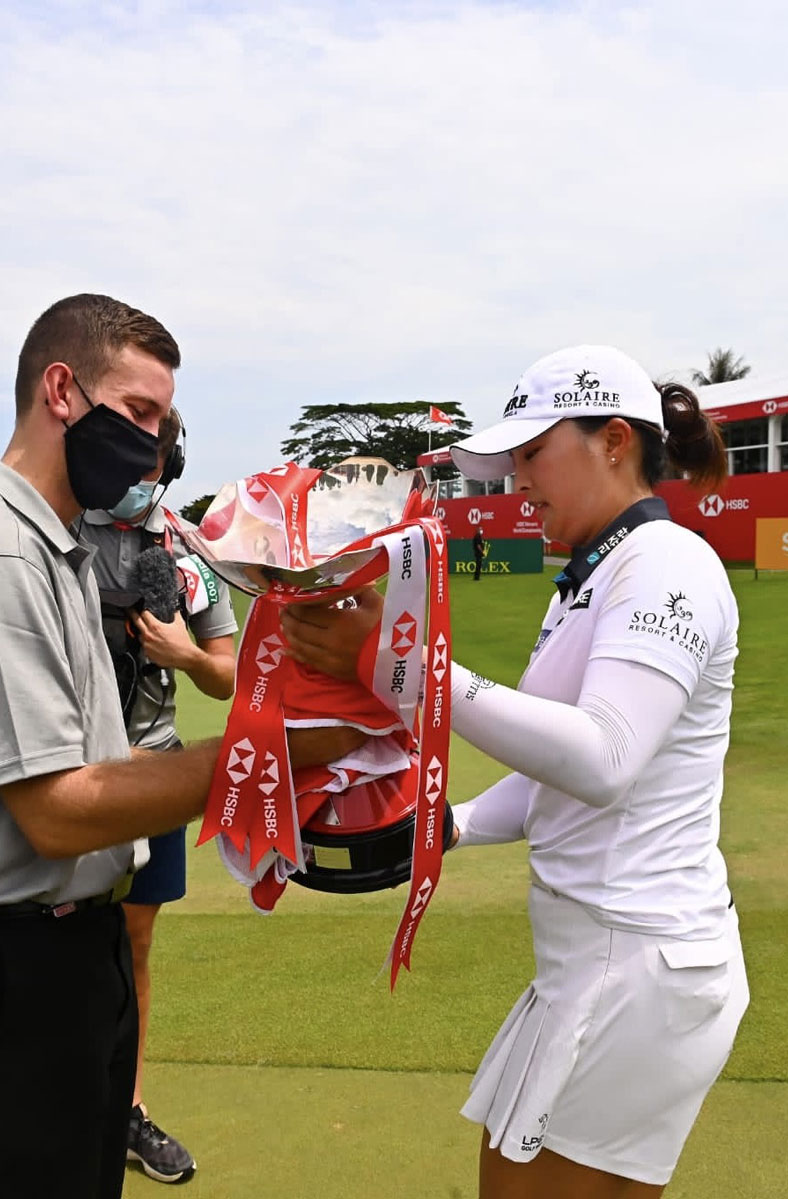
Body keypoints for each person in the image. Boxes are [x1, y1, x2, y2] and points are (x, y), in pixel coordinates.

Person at [0, 293, 351, 1199]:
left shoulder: (48, 544)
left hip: (60, 953)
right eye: (138, 412)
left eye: (161, 422)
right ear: (60, 389)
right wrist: (270, 753)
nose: (152, 444)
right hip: (0, 972)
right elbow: (58, 811)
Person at [280, 344, 750, 1199]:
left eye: (533, 454)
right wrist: (447, 825)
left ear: (614, 441)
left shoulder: (667, 565)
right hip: (603, 960)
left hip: (636, 964)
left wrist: (403, 659)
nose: (516, 482)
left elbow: (603, 758)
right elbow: (555, 770)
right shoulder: (596, 572)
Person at [78, 408, 238, 1184]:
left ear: (170, 466)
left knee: (134, 945)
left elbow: (231, 673)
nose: (139, 483)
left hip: (157, 770)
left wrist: (182, 651)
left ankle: (126, 1108)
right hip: (68, 773)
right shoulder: (55, 531)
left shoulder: (186, 551)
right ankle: (56, 1100)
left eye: (154, 466)